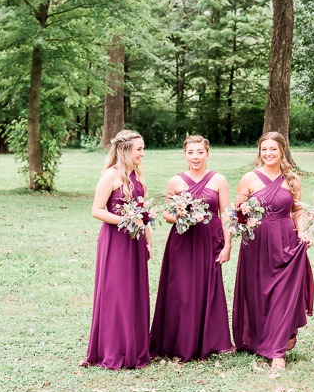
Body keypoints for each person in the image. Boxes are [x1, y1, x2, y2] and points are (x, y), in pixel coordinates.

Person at [231, 132, 314, 370]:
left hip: (285, 240)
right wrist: (242, 221)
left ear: (282, 151)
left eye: (273, 149)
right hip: (256, 243)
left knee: (282, 294)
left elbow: (298, 210)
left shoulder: (292, 179)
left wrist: (302, 232)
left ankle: (277, 350)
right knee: (259, 293)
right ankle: (259, 339)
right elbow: (238, 212)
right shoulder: (249, 179)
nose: (268, 153)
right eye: (264, 149)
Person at [149, 135, 234, 361]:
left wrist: (228, 245)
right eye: (191, 152)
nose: (195, 157)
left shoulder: (219, 180)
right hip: (183, 241)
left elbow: (226, 214)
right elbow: (166, 214)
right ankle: (180, 342)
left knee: (208, 288)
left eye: (200, 152)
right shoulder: (175, 181)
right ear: (184, 155)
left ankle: (208, 341)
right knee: (182, 290)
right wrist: (181, 213)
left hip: (210, 241)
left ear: (208, 154)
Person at [82, 130, 152, 369]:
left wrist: (148, 238)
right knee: (117, 293)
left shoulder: (137, 175)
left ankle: (134, 346)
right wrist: (125, 220)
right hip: (115, 241)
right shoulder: (111, 175)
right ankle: (114, 349)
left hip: (136, 240)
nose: (142, 153)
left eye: (142, 149)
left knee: (134, 292)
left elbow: (143, 211)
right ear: (125, 150)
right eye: (139, 149)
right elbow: (97, 210)